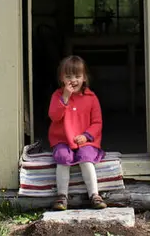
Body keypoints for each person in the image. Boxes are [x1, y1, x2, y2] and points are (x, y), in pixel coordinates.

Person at [47, 55, 107, 211]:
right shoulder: (57, 96)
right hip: (63, 139)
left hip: (86, 140)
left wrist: (86, 136)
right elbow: (54, 116)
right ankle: (62, 196)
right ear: (61, 78)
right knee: (62, 158)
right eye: (68, 77)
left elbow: (97, 123)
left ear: (84, 78)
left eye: (77, 76)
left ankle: (94, 195)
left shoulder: (91, 98)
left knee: (86, 158)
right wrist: (65, 98)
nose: (73, 80)